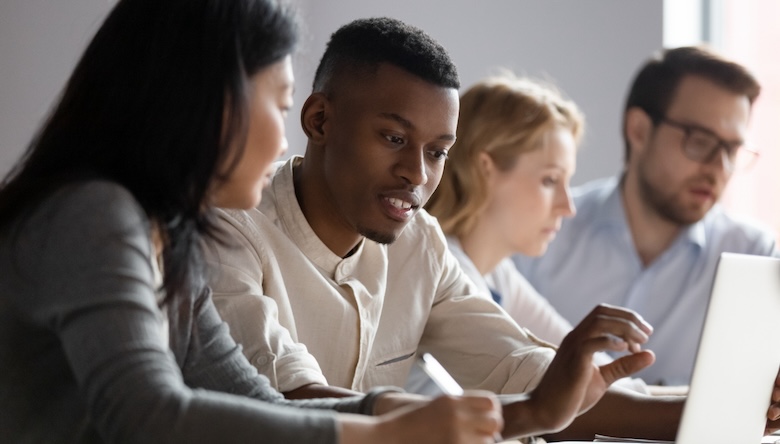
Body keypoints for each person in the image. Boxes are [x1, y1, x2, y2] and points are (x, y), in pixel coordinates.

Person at [0, 1, 507, 442]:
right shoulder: (94, 214)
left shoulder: (168, 236)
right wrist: (379, 433)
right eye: (282, 103)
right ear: (210, 99)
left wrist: (377, 410)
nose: (288, 142)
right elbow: (147, 416)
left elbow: (260, 401)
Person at [205, 17, 690, 441]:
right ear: (318, 120)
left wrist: (728, 414)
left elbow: (525, 375)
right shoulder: (230, 230)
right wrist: (534, 409)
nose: (417, 174)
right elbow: (292, 403)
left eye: (437, 152)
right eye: (394, 138)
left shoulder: (420, 244)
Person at [514, 46, 780, 387]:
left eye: (731, 150)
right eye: (700, 141)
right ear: (638, 130)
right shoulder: (545, 229)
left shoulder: (753, 255)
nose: (719, 169)